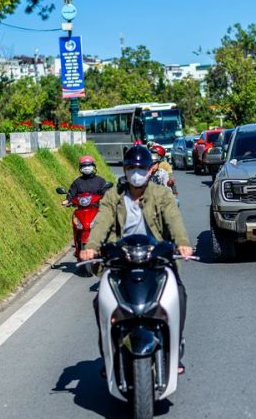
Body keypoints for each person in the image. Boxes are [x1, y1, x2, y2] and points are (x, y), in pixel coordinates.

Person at [80, 145, 193, 374]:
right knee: (100, 300)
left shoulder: (162, 195)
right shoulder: (113, 197)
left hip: (156, 259)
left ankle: (174, 352)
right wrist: (91, 247)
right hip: (121, 260)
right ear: (125, 170)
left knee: (178, 295)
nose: (136, 173)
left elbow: (174, 219)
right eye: (131, 168)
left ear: (149, 170)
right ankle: (108, 354)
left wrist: (182, 243)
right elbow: (102, 222)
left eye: (140, 168)